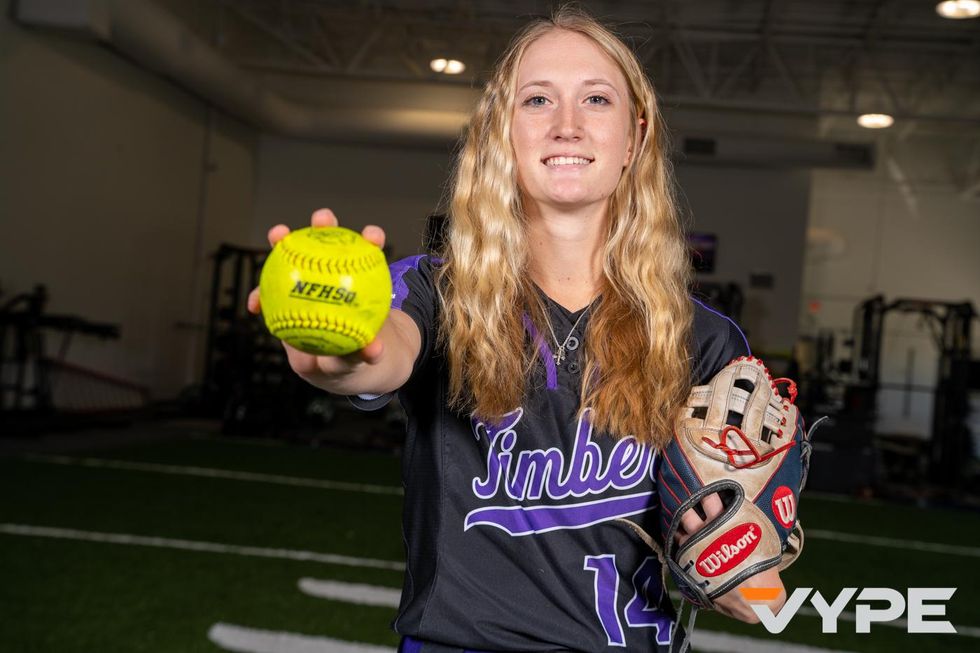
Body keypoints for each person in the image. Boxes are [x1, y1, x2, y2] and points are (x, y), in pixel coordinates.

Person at [249, 7, 786, 652]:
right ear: (502, 132)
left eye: (596, 98)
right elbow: (383, 354)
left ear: (635, 138)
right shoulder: (435, 292)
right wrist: (339, 349)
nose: (567, 124)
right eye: (537, 100)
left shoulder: (703, 339)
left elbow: (766, 599)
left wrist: (746, 575)